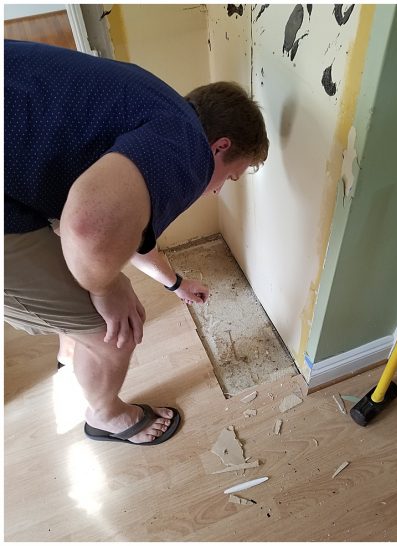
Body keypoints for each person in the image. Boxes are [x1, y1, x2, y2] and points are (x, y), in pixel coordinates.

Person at [4, 39, 269, 445]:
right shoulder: (188, 150)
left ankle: (69, 352)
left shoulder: (159, 109)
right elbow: (89, 226)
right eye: (230, 176)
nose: (218, 190)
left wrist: (175, 283)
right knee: (114, 330)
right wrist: (108, 287)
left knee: (78, 275)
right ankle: (106, 415)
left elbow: (132, 230)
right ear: (220, 147)